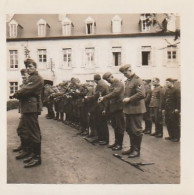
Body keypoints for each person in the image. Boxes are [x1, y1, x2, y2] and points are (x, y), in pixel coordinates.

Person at [12, 58, 44, 168]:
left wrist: (16, 93)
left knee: (34, 133)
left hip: (31, 108)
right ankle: (33, 154)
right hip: (28, 108)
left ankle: (37, 158)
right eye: (27, 67)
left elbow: (25, 90)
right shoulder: (31, 78)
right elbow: (25, 88)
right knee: (28, 131)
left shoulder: (37, 78)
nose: (28, 68)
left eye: (30, 66)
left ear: (35, 67)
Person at [119, 64, 146, 158]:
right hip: (128, 110)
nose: (124, 75)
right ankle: (132, 148)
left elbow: (142, 94)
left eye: (125, 73)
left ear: (130, 70)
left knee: (136, 130)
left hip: (136, 109)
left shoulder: (137, 80)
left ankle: (137, 151)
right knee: (130, 130)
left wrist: (129, 99)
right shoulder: (128, 81)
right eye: (123, 73)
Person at [98, 72, 125, 151]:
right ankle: (116, 143)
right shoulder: (111, 85)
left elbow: (115, 93)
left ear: (111, 77)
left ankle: (119, 144)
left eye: (107, 80)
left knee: (120, 127)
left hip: (118, 109)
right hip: (113, 109)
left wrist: (104, 97)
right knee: (115, 126)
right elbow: (110, 97)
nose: (107, 82)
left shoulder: (119, 84)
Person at [85, 74, 109, 145]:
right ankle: (101, 138)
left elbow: (97, 95)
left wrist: (88, 98)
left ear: (95, 80)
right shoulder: (102, 83)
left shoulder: (101, 85)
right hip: (101, 106)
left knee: (102, 124)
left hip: (101, 106)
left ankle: (104, 139)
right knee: (100, 123)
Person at [12, 69, 29, 153]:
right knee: (22, 129)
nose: (23, 77)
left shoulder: (30, 84)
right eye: (22, 75)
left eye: (24, 75)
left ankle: (26, 148)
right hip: (24, 109)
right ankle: (24, 146)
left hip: (29, 110)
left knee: (23, 129)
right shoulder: (24, 84)